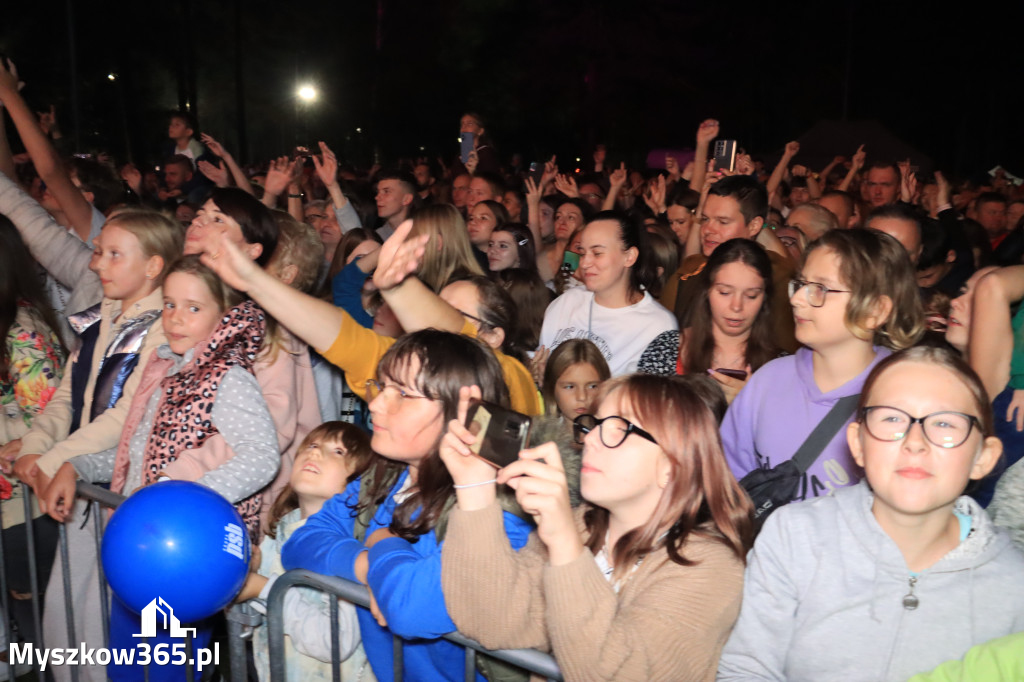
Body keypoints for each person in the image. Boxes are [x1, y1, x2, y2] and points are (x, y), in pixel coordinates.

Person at [717, 347, 1024, 681]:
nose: (915, 442)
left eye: (945, 423)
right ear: (858, 443)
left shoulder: (1013, 587)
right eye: (892, 418)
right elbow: (748, 667)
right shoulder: (794, 537)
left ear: (983, 456)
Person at [43, 256, 280, 682]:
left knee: (166, 672)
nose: (175, 318)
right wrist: (75, 465)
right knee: (129, 670)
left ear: (224, 315)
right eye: (169, 304)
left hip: (183, 560)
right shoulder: (166, 366)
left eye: (193, 307)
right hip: (141, 552)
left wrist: (181, 499)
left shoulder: (228, 376)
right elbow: (131, 450)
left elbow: (262, 454)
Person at [440, 373, 754, 681]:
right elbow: (491, 620)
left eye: (619, 429)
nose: (590, 438)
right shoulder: (583, 525)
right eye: (596, 423)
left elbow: (620, 674)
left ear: (673, 466)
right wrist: (474, 486)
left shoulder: (710, 566)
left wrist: (565, 545)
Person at [281, 331, 533, 682]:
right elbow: (299, 544)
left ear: (464, 412)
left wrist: (383, 540)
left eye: (402, 393)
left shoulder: (500, 512)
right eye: (382, 386)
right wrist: (369, 565)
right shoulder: (383, 482)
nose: (376, 404)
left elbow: (412, 608)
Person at [721, 229, 924, 502]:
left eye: (820, 289)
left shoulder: (905, 397)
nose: (796, 299)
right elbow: (729, 485)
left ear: (875, 310)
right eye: (801, 284)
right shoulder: (768, 381)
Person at [238, 421, 377, 682]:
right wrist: (248, 581)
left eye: (338, 451)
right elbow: (250, 625)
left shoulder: (347, 547)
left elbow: (334, 642)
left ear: (361, 482)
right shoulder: (278, 534)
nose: (314, 453)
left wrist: (263, 589)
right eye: (312, 445)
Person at [0, 217, 65, 650]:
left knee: (37, 611)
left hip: (25, 503)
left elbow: (45, 423)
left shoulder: (21, 331)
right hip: (12, 502)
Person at [638, 238, 779, 404]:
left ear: (764, 298)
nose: (737, 306)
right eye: (725, 292)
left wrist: (752, 405)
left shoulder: (782, 367)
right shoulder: (666, 349)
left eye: (751, 296)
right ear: (707, 291)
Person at [538, 211, 677, 376]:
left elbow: (654, 397)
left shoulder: (658, 326)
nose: (584, 263)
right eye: (582, 253)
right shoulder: (566, 303)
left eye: (597, 253)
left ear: (630, 257)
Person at [540, 339, 610, 427]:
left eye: (592, 386)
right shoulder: (537, 438)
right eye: (570, 387)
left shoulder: (619, 437)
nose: (582, 397)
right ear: (551, 388)